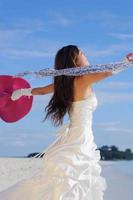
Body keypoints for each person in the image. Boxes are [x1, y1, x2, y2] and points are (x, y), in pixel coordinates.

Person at [0, 45, 113, 200]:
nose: (86, 55)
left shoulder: (64, 84)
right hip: (81, 137)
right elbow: (107, 72)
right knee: (74, 178)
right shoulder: (82, 80)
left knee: (69, 178)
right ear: (75, 60)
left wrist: (21, 92)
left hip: (74, 135)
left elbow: (41, 90)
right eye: (82, 53)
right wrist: (126, 62)